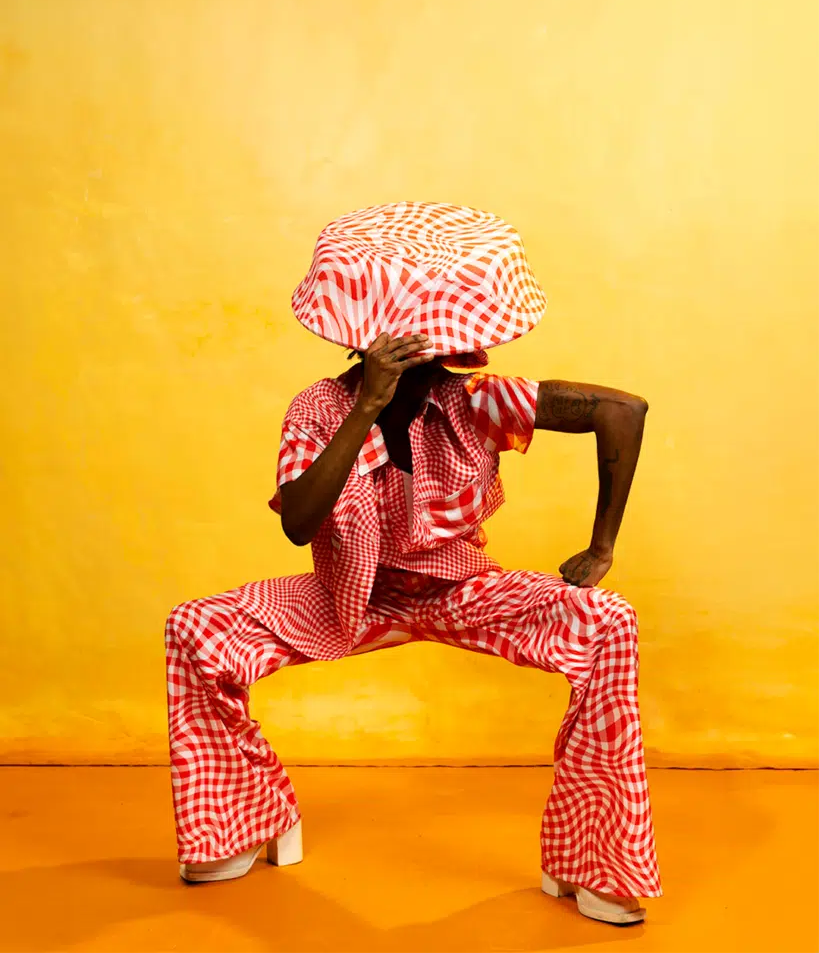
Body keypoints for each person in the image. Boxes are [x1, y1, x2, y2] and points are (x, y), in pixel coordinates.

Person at [165, 202, 661, 925]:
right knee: (196, 630)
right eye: (405, 358)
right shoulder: (317, 408)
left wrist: (602, 544)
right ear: (363, 346)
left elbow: (624, 409)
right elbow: (300, 525)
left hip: (461, 593)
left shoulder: (475, 401)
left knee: (606, 622)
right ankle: (247, 821)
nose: (426, 372)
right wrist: (366, 407)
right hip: (349, 599)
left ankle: (592, 862)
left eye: (433, 360)